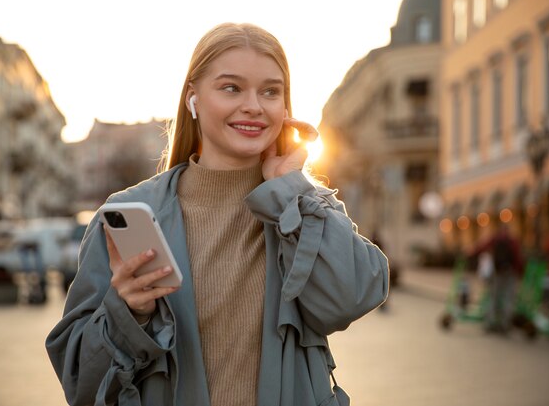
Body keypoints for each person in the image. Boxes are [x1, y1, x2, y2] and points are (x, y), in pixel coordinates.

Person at [45, 22, 389, 406]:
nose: (254, 106)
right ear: (193, 98)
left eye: (271, 92)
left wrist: (289, 190)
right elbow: (78, 380)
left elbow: (352, 297)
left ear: (286, 108)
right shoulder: (127, 215)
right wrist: (128, 312)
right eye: (231, 88)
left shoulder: (303, 206)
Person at [469, 224, 524, 334]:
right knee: (508, 297)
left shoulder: (495, 239)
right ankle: (505, 323)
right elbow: (518, 258)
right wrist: (520, 272)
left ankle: (491, 322)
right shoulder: (513, 241)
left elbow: (481, 247)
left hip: (497, 272)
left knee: (493, 296)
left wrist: (471, 253)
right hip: (510, 273)